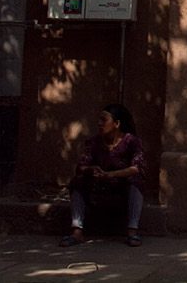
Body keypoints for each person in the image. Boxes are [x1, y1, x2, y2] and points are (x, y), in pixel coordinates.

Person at [59, 103, 145, 247]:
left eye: (103, 120)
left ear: (116, 123)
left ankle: (132, 231)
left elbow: (137, 168)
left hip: (121, 188)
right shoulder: (94, 142)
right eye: (99, 120)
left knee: (136, 180)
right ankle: (77, 231)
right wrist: (91, 170)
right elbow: (81, 166)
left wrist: (111, 175)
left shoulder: (131, 142)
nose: (99, 124)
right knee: (77, 181)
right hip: (98, 188)